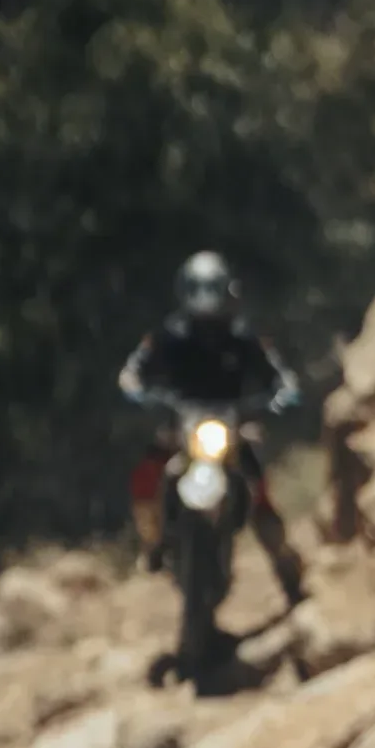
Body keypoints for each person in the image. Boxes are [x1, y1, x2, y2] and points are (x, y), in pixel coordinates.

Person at [119, 251, 305, 603]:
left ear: (226, 291)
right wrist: (137, 391)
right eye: (197, 289)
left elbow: (278, 375)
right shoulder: (169, 335)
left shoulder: (242, 336)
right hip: (181, 425)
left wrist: (282, 396)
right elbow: (134, 370)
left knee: (257, 487)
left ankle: (285, 567)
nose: (205, 299)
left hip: (231, 425)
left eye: (212, 289)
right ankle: (153, 541)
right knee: (146, 476)